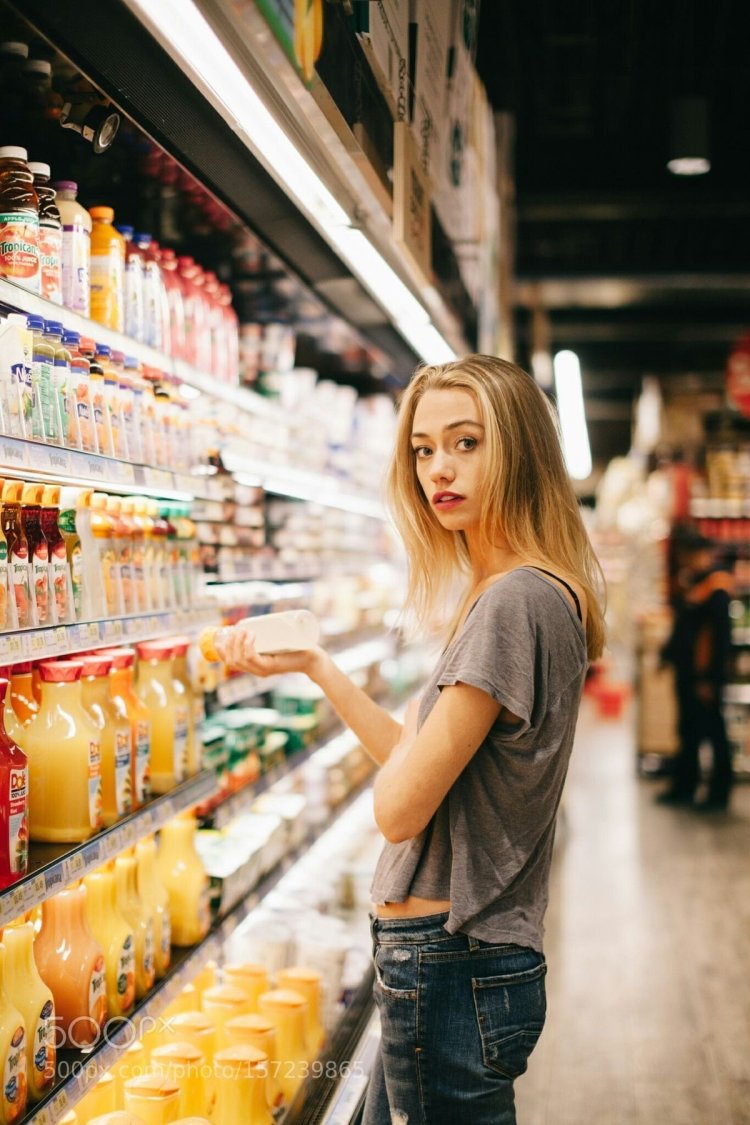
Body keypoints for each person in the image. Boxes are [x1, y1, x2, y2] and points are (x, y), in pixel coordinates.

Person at [222, 354, 606, 1124]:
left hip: (450, 961)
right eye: (424, 449)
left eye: (466, 442)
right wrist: (318, 665)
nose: (439, 469)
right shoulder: (515, 590)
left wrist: (399, 778)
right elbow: (421, 757)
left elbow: (399, 810)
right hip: (452, 960)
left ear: (520, 449)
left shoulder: (513, 600)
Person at [658, 530, 733, 811]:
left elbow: (719, 640)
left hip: (705, 677)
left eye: (691, 555)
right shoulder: (692, 583)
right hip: (688, 674)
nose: (687, 560)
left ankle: (718, 793)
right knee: (688, 731)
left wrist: (709, 679)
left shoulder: (717, 588)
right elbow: (683, 629)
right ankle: (684, 787)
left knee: (714, 733)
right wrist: (667, 655)